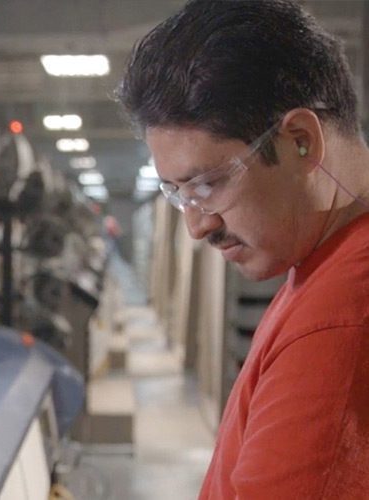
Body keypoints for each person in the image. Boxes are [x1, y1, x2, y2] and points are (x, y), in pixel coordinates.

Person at [117, 0, 369, 498]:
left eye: (207, 185)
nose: (196, 226)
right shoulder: (318, 265)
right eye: (178, 195)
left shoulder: (340, 324)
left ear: (300, 141)